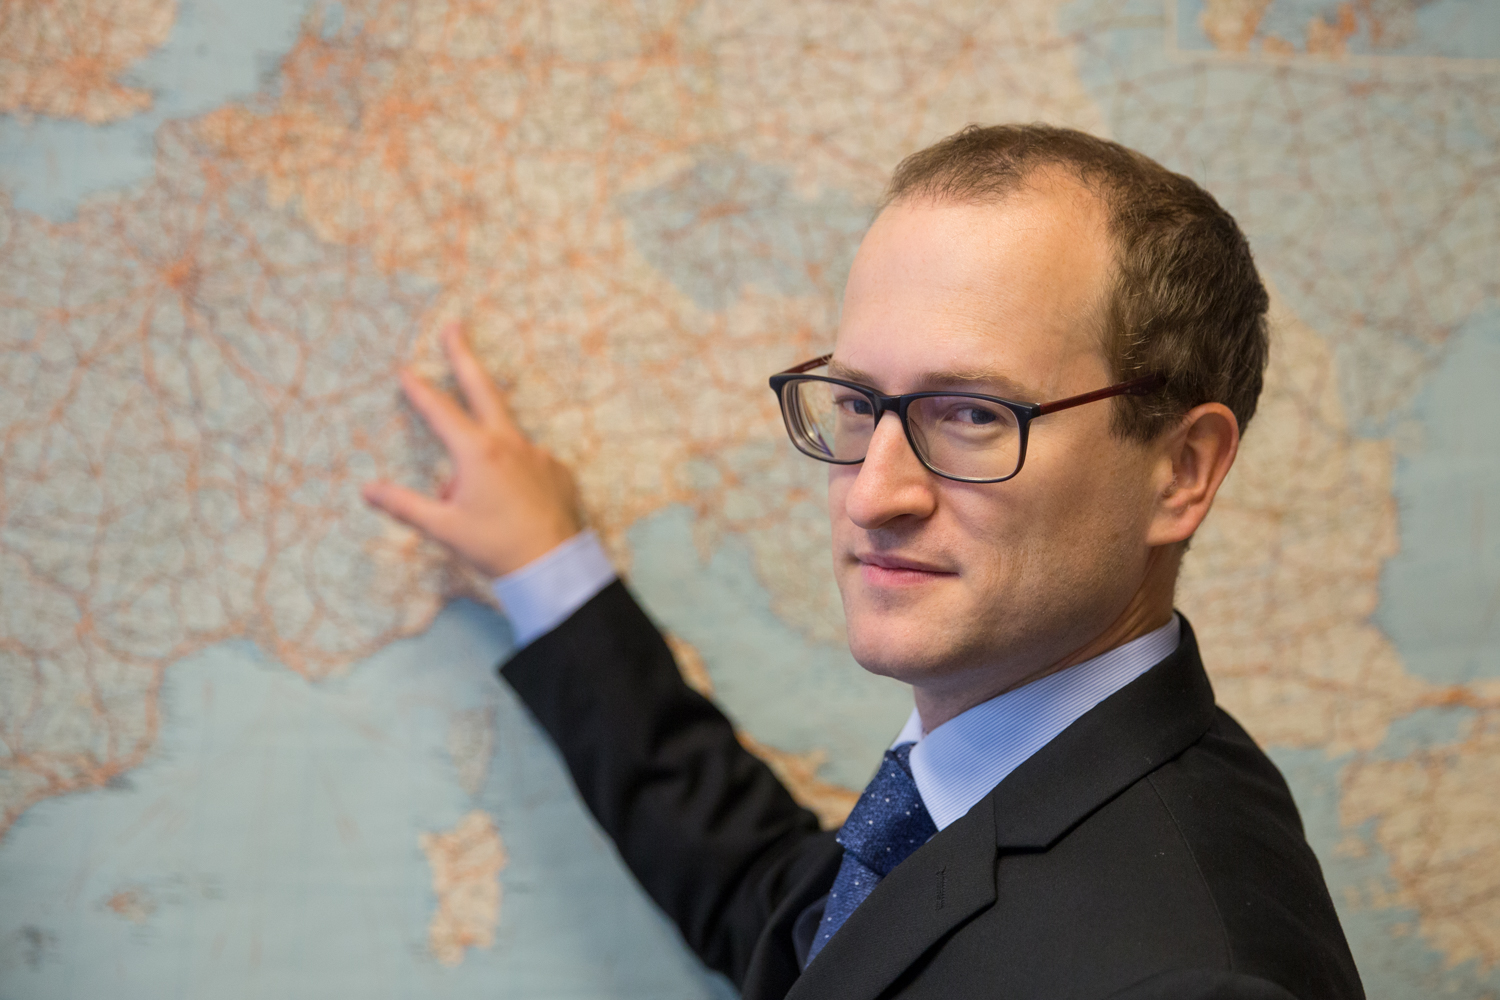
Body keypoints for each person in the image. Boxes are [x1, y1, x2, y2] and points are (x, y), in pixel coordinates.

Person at [362, 124, 1364, 1000]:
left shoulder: (1190, 977)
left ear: (1181, 470)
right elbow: (800, 931)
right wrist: (553, 573)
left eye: (972, 414)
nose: (874, 494)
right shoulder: (995, 787)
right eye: (856, 403)